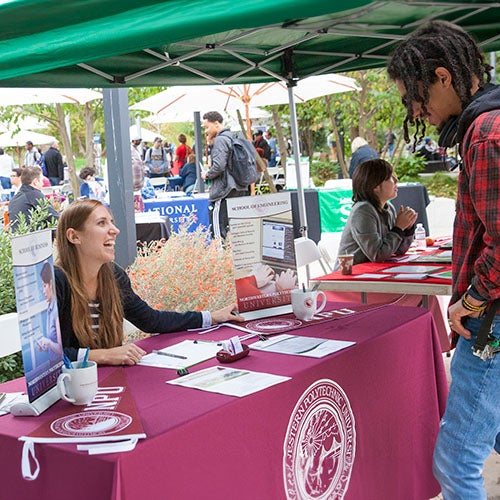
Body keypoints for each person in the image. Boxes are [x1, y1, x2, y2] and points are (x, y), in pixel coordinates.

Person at [387, 20, 500, 499]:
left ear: (443, 77)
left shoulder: (485, 133)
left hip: (491, 321)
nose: (420, 112)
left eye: (418, 98)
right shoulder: (487, 123)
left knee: (455, 463)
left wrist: (468, 304)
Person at [54, 199, 244, 365]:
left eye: (111, 222)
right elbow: (51, 356)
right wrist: (103, 355)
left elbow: (152, 320)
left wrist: (212, 316)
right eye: (102, 223)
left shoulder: (113, 276)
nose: (115, 230)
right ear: (74, 236)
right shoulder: (57, 281)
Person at [336, 158, 417, 267]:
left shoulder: (389, 207)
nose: (396, 181)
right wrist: (398, 228)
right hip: (350, 276)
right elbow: (378, 255)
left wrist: (406, 229)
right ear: (375, 186)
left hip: (371, 272)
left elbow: (398, 251)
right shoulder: (363, 211)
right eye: (390, 178)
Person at [201, 111, 251, 239]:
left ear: (216, 124)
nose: (206, 131)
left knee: (219, 231)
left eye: (207, 127)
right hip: (238, 187)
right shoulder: (233, 137)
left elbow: (219, 166)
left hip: (224, 190)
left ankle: (221, 257)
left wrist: (207, 175)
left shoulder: (220, 140)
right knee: (234, 231)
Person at [8, 166, 60, 231]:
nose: (43, 183)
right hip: (34, 237)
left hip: (17, 237)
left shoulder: (15, 198)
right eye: (41, 180)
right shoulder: (34, 194)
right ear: (35, 181)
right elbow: (54, 217)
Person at [37, 262, 62, 363]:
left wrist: (49, 343)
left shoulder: (55, 310)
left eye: (44, 286)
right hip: (52, 364)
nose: (43, 291)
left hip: (59, 365)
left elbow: (60, 349)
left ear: (51, 284)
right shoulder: (49, 308)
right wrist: (45, 345)